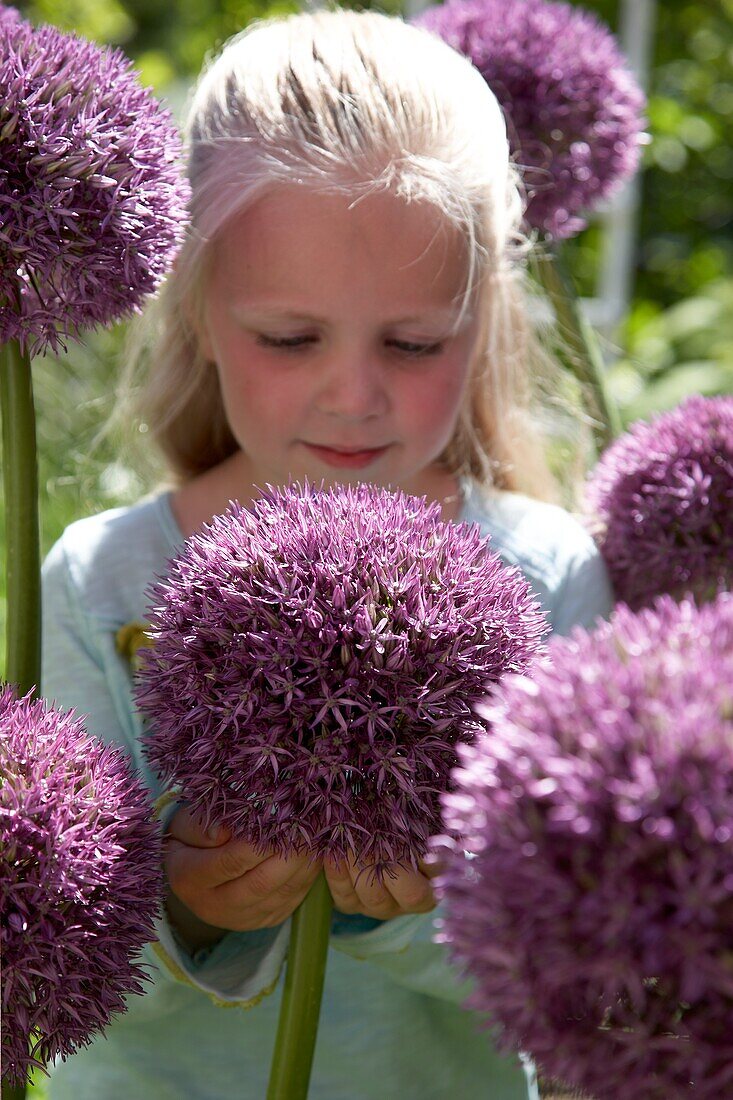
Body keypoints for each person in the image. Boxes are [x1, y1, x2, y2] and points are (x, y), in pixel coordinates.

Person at [42, 10, 614, 1099]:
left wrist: (430, 907)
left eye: (412, 342)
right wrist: (187, 904)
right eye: (290, 338)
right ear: (200, 312)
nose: (353, 394)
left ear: (482, 314)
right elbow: (49, 958)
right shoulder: (102, 578)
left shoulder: (544, 573)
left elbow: (581, 957)